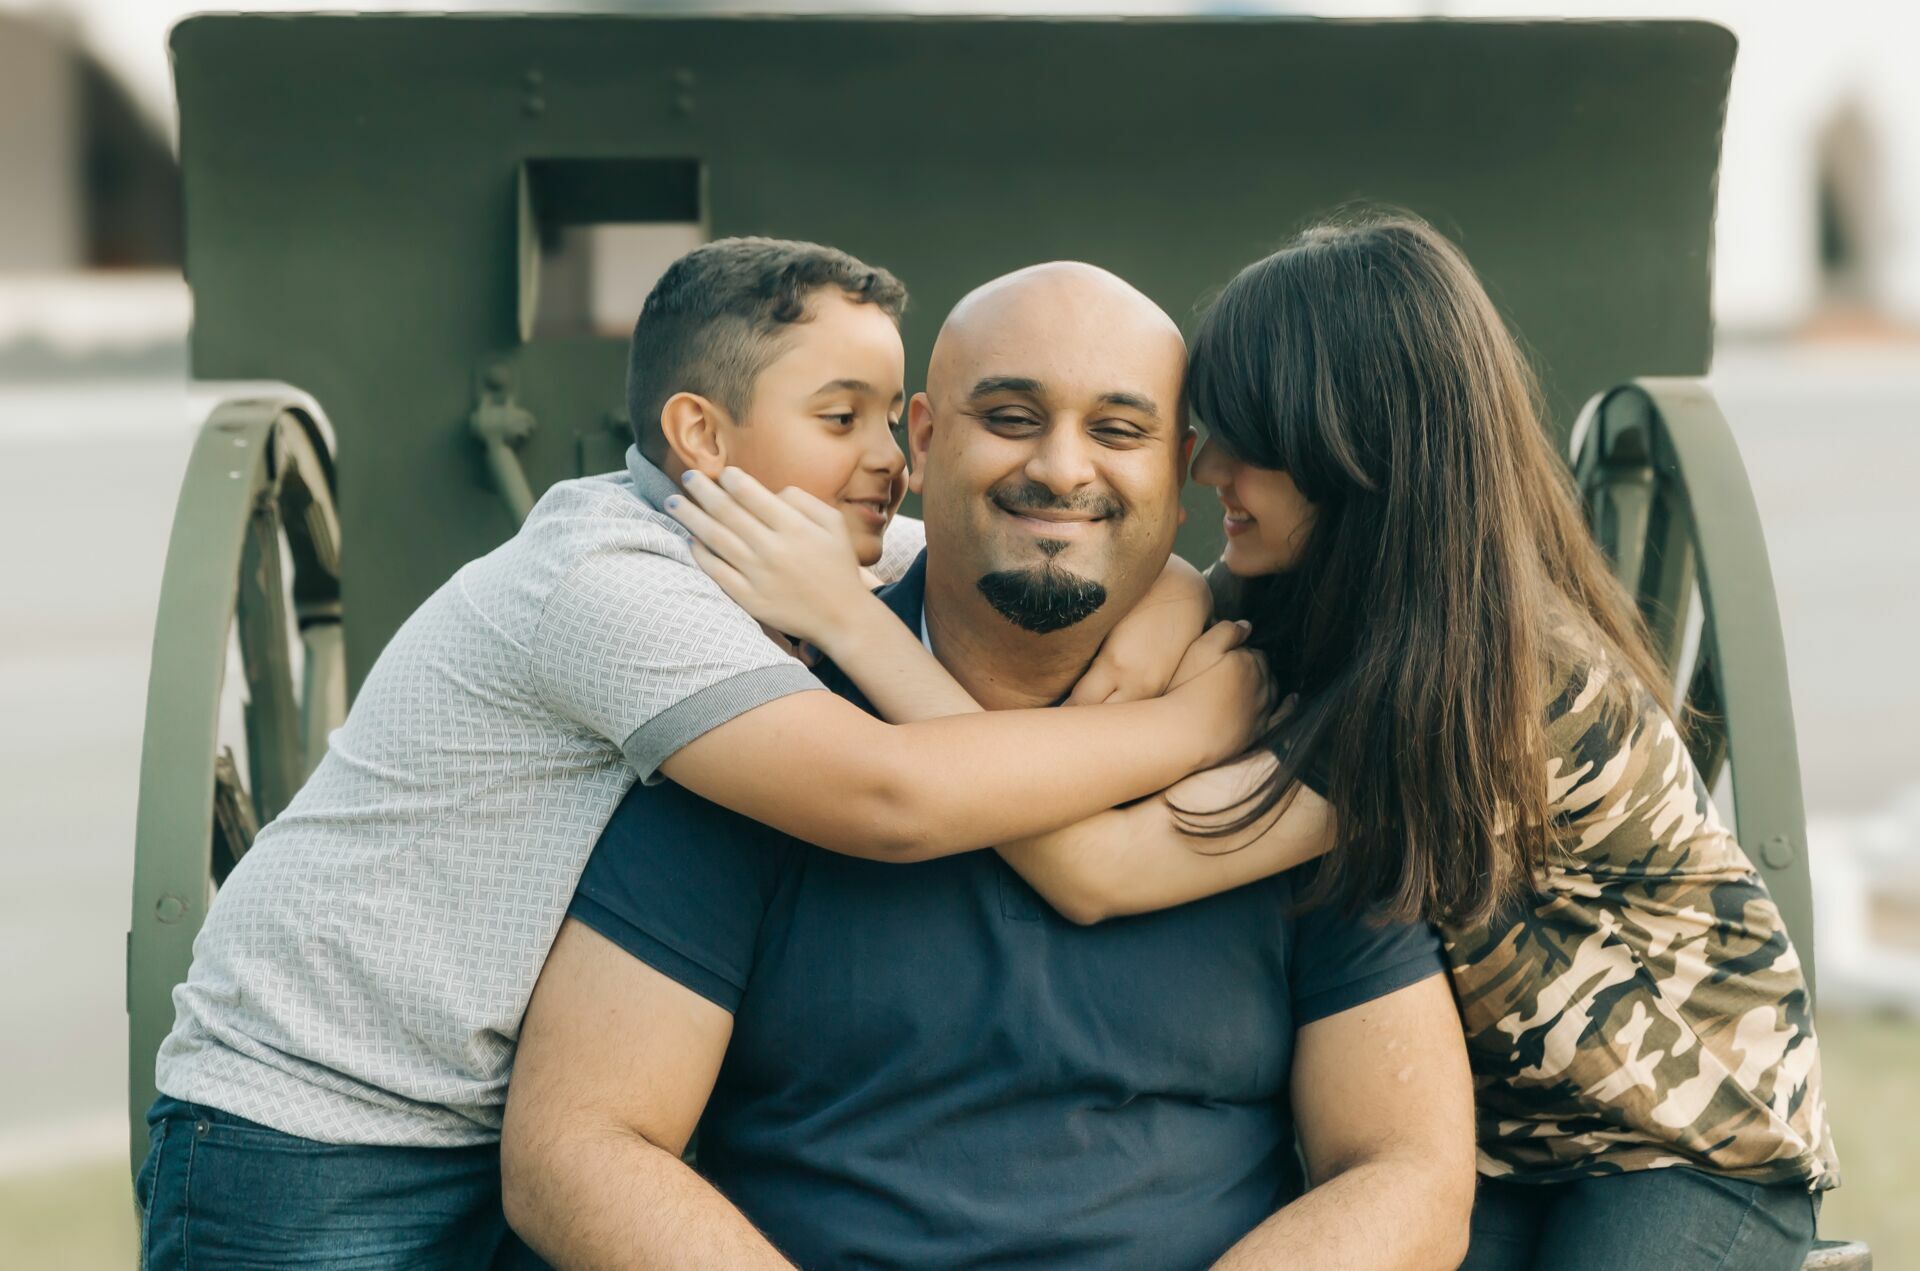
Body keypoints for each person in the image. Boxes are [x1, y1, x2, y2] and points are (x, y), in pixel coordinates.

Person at [697, 216, 1840, 1271]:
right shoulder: (1315, 597)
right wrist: (1165, 615)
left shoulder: (1495, 685)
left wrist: (853, 625)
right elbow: (1185, 590)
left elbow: (1099, 868)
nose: (1206, 469)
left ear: (1353, 454)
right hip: (1510, 1135)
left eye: (1248, 441)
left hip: (1676, 1135)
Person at [134, 239, 1268, 1269]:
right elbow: (890, 797)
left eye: (889, 422)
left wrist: (1174, 605)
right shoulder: (612, 581)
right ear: (702, 438)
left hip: (477, 1114)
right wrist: (1195, 724)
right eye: (841, 418)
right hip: (315, 1125)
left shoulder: (803, 541)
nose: (886, 459)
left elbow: (1055, 543)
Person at [501, 261, 1477, 1271]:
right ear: (923, 441)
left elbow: (1408, 1167)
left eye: (1119, 430)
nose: (1061, 468)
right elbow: (579, 1141)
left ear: (1183, 469)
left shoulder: (1294, 733)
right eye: (1011, 417)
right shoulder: (768, 728)